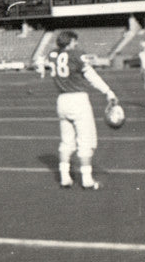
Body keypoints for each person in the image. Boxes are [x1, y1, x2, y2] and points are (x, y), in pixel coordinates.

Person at [44, 31, 119, 190]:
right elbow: (91, 75)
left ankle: (65, 178)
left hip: (62, 100)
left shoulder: (52, 55)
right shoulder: (77, 54)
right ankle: (87, 180)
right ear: (70, 41)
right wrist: (108, 91)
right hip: (78, 99)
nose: (76, 44)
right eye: (74, 41)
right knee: (86, 141)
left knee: (66, 142)